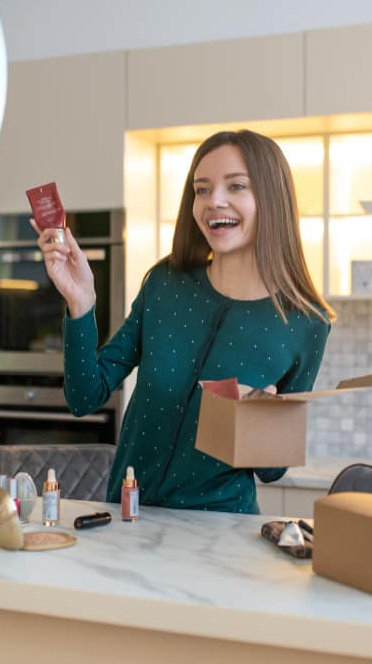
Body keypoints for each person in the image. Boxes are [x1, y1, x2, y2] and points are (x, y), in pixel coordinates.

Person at [32, 130, 335, 513]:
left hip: (220, 534)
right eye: (202, 189)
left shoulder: (307, 323)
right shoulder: (165, 284)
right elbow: (84, 396)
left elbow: (273, 471)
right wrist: (81, 304)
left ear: (272, 199)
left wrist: (260, 422)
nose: (214, 201)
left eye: (236, 186)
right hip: (131, 519)